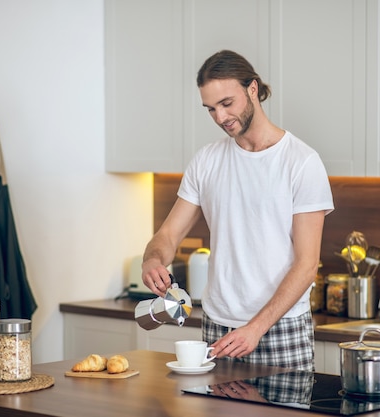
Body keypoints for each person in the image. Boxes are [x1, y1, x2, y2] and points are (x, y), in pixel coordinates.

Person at [141, 50, 333, 370]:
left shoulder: (301, 162)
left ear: (253, 89)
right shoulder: (206, 161)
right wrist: (153, 258)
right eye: (210, 109)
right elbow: (168, 234)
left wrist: (255, 328)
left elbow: (306, 264)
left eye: (227, 103)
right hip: (218, 327)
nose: (219, 117)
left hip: (279, 329)